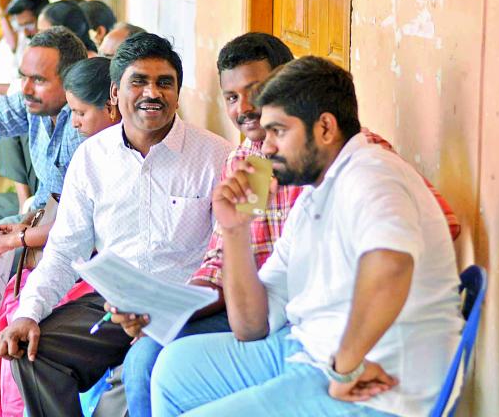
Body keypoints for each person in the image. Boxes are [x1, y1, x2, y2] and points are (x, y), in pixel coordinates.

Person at [116, 32, 462, 417]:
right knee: (171, 369)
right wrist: (234, 230)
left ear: (326, 129)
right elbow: (251, 327)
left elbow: (392, 264)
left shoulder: (371, 173)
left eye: (279, 131)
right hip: (304, 348)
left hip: (377, 381)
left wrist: (346, 365)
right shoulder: (313, 190)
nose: (266, 146)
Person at [0, 32, 232, 417]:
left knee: (144, 370)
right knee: (32, 350)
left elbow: (227, 257)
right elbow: (63, 252)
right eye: (138, 82)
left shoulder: (215, 156)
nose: (151, 93)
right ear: (115, 93)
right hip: (112, 307)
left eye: (164, 83)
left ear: (177, 92)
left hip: (183, 309)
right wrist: (27, 314)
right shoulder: (92, 158)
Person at [0, 56, 120, 417]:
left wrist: (21, 240)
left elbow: (76, 238)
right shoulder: (89, 149)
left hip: (95, 278)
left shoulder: (111, 156)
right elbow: (61, 213)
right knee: (10, 307)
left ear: (112, 107)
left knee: (22, 325)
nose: (75, 123)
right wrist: (25, 231)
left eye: (81, 114)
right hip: (64, 259)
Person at [0, 26, 88, 282]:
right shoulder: (31, 104)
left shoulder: (88, 128)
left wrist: (19, 237)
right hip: (33, 220)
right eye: (23, 77)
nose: (26, 88)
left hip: (59, 242)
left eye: (38, 80)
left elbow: (78, 227)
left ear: (71, 79)